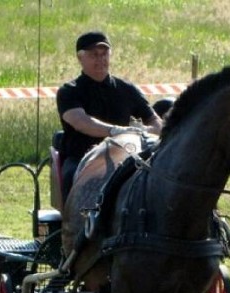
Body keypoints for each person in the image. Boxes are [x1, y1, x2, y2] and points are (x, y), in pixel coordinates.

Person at [56, 30, 163, 202]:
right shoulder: (69, 91)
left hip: (123, 158)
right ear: (80, 58)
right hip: (80, 158)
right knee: (72, 180)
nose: (101, 60)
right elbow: (81, 121)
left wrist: (147, 131)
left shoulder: (127, 89)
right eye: (94, 55)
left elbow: (154, 120)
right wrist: (116, 131)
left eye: (104, 54)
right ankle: (73, 227)